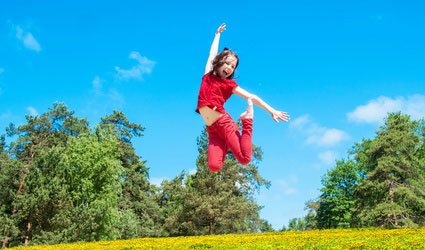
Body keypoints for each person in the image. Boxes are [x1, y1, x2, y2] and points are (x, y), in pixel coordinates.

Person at [196, 23, 290, 172]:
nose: (229, 67)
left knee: (245, 159)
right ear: (218, 62)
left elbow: (252, 96)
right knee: (214, 167)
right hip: (212, 130)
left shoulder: (228, 85)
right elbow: (212, 54)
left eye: (232, 67)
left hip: (224, 124)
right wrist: (217, 35)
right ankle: (227, 143)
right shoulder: (207, 75)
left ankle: (247, 120)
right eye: (227, 63)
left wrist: (271, 110)